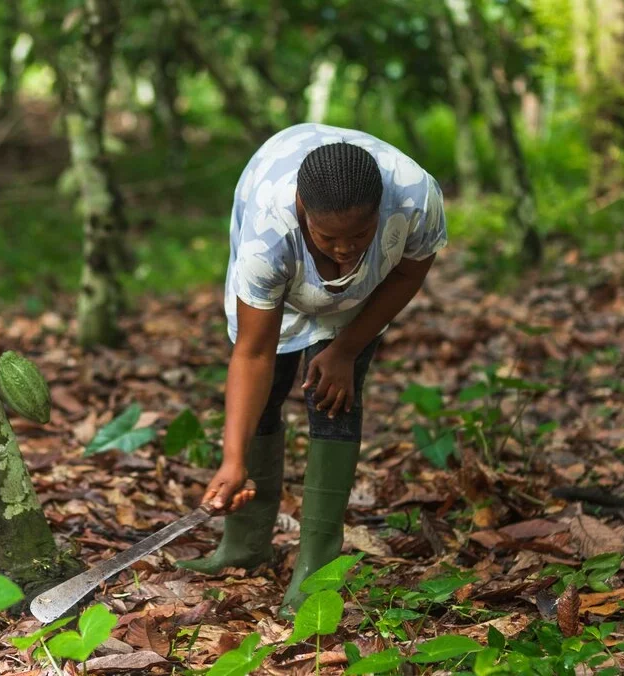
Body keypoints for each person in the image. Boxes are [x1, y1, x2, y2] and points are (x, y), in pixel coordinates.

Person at [176, 122, 447, 617]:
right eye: (329, 237)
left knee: (335, 398)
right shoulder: (268, 232)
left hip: (359, 293)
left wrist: (345, 350)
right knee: (268, 389)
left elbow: (409, 271)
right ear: (303, 210)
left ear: (380, 213)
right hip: (278, 262)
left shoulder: (414, 198)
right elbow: (253, 353)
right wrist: (232, 459)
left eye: (358, 236)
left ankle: (316, 572)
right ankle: (244, 545)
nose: (344, 249)